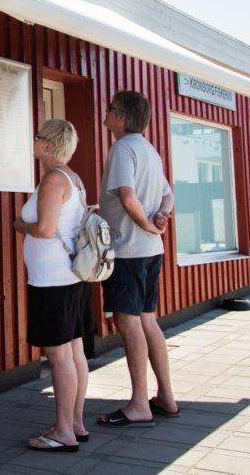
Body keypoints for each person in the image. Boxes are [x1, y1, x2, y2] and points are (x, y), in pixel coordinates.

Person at [97, 91, 178, 428]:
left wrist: (147, 224)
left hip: (129, 250)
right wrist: (161, 216)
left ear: (122, 116)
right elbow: (168, 195)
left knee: (128, 322)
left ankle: (139, 405)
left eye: (111, 109)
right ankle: (166, 398)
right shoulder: (150, 151)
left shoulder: (122, 148)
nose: (107, 113)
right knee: (148, 320)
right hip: (150, 253)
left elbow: (128, 197)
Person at [14, 119, 90, 453]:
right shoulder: (73, 178)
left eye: (37, 137)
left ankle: (63, 432)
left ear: (48, 145)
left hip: (51, 279)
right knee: (73, 349)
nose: (34, 142)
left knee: (59, 355)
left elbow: (45, 229)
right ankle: (74, 422)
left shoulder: (53, 179)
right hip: (69, 276)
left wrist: (19, 225)